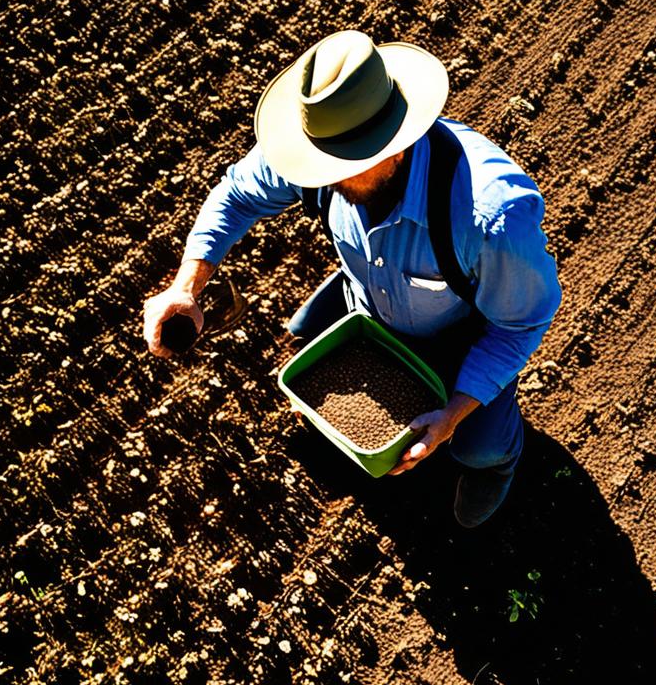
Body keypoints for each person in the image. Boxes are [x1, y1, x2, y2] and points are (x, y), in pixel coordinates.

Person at [143, 30, 562, 527]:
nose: (321, 178)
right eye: (317, 162)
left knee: (478, 447)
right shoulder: (317, 158)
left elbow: (518, 325)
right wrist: (186, 285)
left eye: (341, 168)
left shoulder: (490, 217)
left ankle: (497, 464)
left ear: (397, 145)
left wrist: (453, 413)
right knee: (303, 341)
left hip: (464, 334)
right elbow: (237, 195)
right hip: (372, 302)